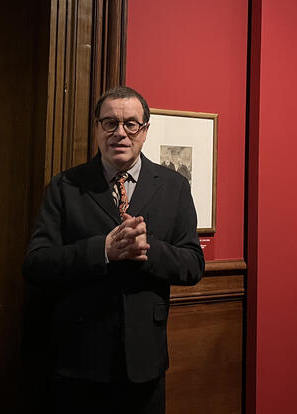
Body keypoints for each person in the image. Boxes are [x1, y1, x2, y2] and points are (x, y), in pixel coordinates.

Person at [23, 86, 204, 413]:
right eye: (109, 123)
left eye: (131, 124)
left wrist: (147, 250)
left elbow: (193, 265)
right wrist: (102, 250)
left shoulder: (174, 186)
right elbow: (36, 264)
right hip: (79, 359)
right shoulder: (65, 186)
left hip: (144, 360)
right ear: (96, 129)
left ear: (145, 131)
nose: (120, 133)